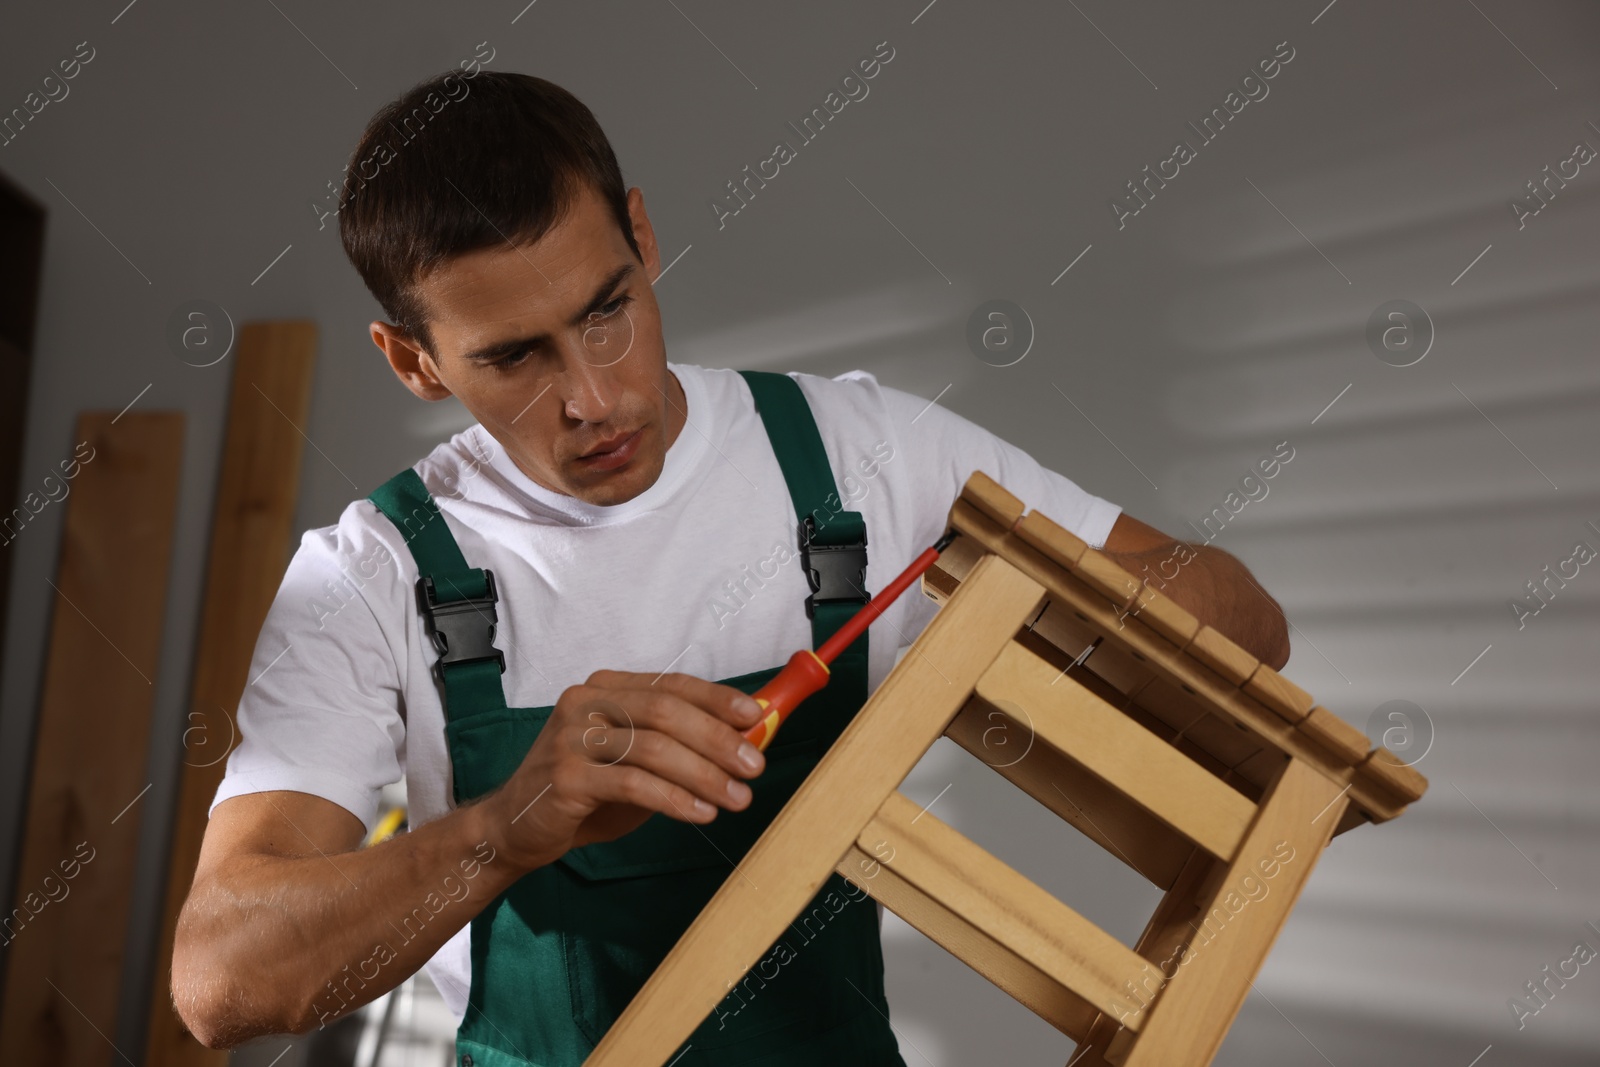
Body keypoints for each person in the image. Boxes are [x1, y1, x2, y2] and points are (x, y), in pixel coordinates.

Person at [170, 70, 1289, 1065]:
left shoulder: (859, 456)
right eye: (514, 356)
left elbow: (1244, 627)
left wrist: (1053, 615)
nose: (596, 398)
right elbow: (221, 983)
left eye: (607, 309)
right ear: (413, 360)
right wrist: (505, 825)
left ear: (644, 237)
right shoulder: (373, 574)